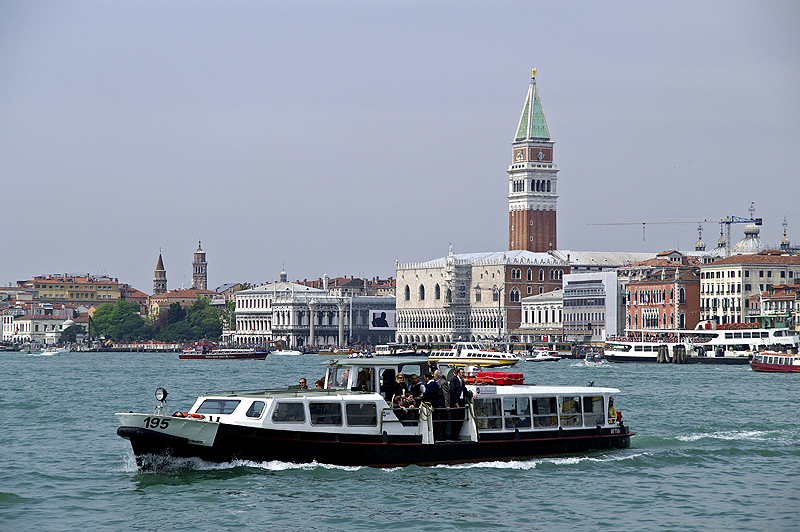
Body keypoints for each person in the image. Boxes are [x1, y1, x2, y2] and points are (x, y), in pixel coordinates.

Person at [449, 367, 467, 439]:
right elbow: (452, 391)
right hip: (456, 401)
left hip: (461, 401)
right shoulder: (454, 380)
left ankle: (457, 434)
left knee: (461, 418)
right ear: (458, 373)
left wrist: (471, 394)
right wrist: (456, 401)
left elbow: (464, 390)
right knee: (455, 419)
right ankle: (454, 435)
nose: (463, 374)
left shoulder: (461, 381)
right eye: (462, 373)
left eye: (464, 373)